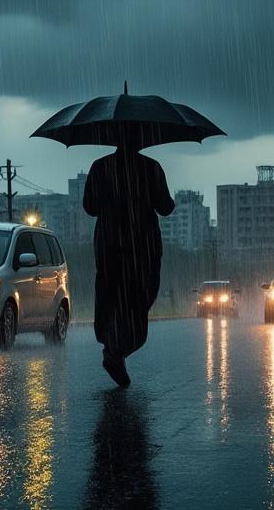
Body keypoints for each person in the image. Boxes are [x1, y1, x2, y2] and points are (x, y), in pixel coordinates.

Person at [82, 133, 175, 388]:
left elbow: (89, 207)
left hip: (110, 246)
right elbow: (165, 207)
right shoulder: (150, 168)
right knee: (138, 300)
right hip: (141, 247)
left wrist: (110, 198)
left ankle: (114, 349)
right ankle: (116, 351)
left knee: (112, 298)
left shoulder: (100, 167)